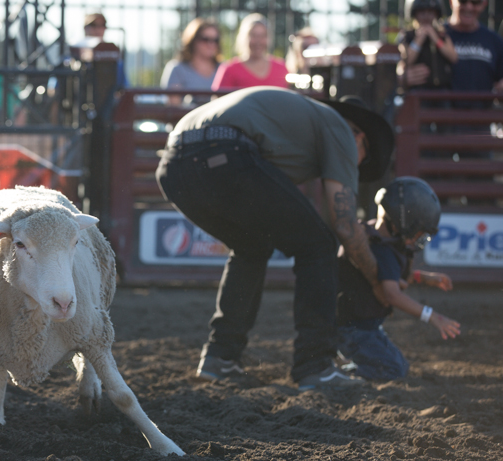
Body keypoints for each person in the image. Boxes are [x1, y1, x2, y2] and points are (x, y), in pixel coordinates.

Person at [155, 87, 395, 390]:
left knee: (251, 246)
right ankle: (315, 365)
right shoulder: (341, 129)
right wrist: (377, 278)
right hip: (225, 152)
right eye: (362, 160)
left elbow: (325, 218)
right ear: (360, 137)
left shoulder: (293, 126)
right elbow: (343, 226)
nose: (355, 167)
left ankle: (220, 357)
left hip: (173, 166)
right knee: (318, 246)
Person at [337, 177, 461, 380]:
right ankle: (343, 373)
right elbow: (391, 294)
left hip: (355, 328)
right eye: (418, 232)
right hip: (355, 331)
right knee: (393, 369)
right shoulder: (382, 250)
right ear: (404, 223)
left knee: (398, 364)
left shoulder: (374, 237)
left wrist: (424, 277)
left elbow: (391, 275)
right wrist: (433, 317)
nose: (418, 239)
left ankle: (344, 362)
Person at [211, 14, 288, 91]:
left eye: (263, 36)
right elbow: (218, 100)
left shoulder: (281, 68)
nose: (258, 41)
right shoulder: (230, 69)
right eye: (253, 35)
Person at [444, 0, 503, 92]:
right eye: (462, 1)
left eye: (475, 2)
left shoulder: (494, 40)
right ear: (451, 2)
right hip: (440, 105)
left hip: (483, 105)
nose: (469, 7)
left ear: (484, 4)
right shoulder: (436, 35)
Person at [398, 0, 457, 91]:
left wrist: (435, 39)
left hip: (443, 90)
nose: (426, 16)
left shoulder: (442, 35)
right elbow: (406, 60)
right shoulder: (408, 35)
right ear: (414, 14)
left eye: (430, 12)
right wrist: (419, 40)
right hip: (419, 90)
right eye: (422, 12)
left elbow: (453, 57)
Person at [160, 18, 222, 105]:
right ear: (193, 40)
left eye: (215, 40)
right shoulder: (177, 69)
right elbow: (174, 106)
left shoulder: (224, 69)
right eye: (205, 39)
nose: (211, 44)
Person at [79, 13, 128, 90]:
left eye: (103, 25)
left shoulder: (115, 60)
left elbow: (124, 87)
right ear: (85, 28)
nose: (98, 29)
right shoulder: (74, 55)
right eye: (93, 25)